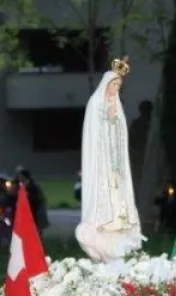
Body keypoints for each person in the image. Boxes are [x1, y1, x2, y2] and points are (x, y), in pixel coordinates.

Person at [75, 56, 144, 263]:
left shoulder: (116, 105)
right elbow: (95, 133)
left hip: (115, 163)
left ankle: (119, 225)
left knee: (118, 192)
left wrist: (115, 120)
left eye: (118, 86)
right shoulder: (95, 103)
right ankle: (103, 224)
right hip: (101, 162)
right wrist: (108, 118)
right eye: (114, 85)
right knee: (105, 192)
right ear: (106, 84)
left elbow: (121, 132)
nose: (115, 89)